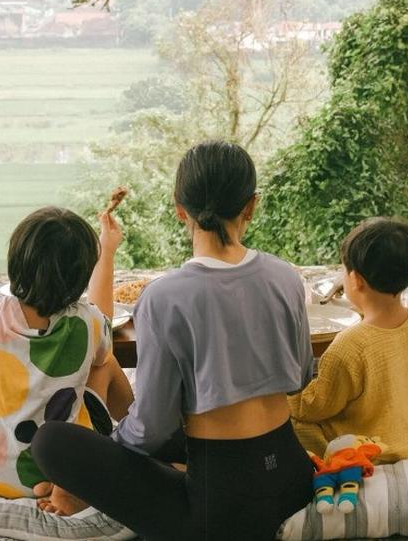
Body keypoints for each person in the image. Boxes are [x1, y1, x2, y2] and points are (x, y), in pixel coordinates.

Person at [32, 140, 315, 541]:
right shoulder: (286, 277)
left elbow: (152, 429)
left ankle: (95, 490)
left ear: (180, 209)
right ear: (251, 206)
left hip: (217, 510)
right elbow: (302, 374)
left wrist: (107, 452)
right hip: (293, 476)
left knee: (51, 444)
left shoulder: (163, 297)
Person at [0, 205, 133, 500]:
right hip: (57, 471)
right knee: (106, 362)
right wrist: (107, 252)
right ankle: (138, 438)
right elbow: (102, 343)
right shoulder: (87, 321)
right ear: (81, 276)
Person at [288, 217, 408, 462]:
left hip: (367, 448)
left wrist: (288, 397)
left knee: (291, 421)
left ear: (357, 280)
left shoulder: (350, 346)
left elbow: (314, 407)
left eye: (344, 270)